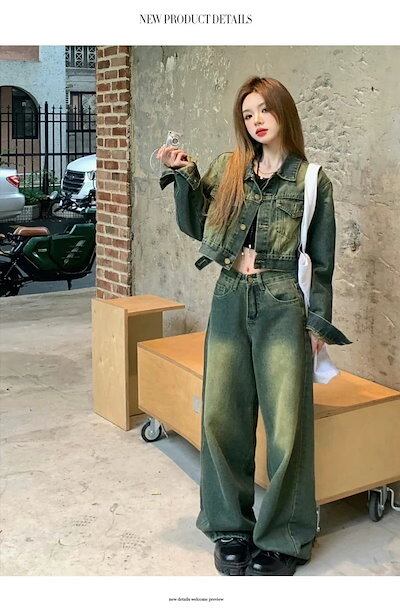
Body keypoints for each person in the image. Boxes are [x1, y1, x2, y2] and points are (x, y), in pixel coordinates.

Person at [157, 76, 352, 576]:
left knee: (286, 426)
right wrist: (184, 175)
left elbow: (322, 263)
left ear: (284, 111)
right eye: (247, 114)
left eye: (264, 109)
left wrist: (317, 325)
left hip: (282, 302)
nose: (257, 121)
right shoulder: (229, 169)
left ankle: (286, 537)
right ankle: (229, 526)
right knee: (221, 416)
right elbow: (197, 225)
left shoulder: (311, 181)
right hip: (229, 295)